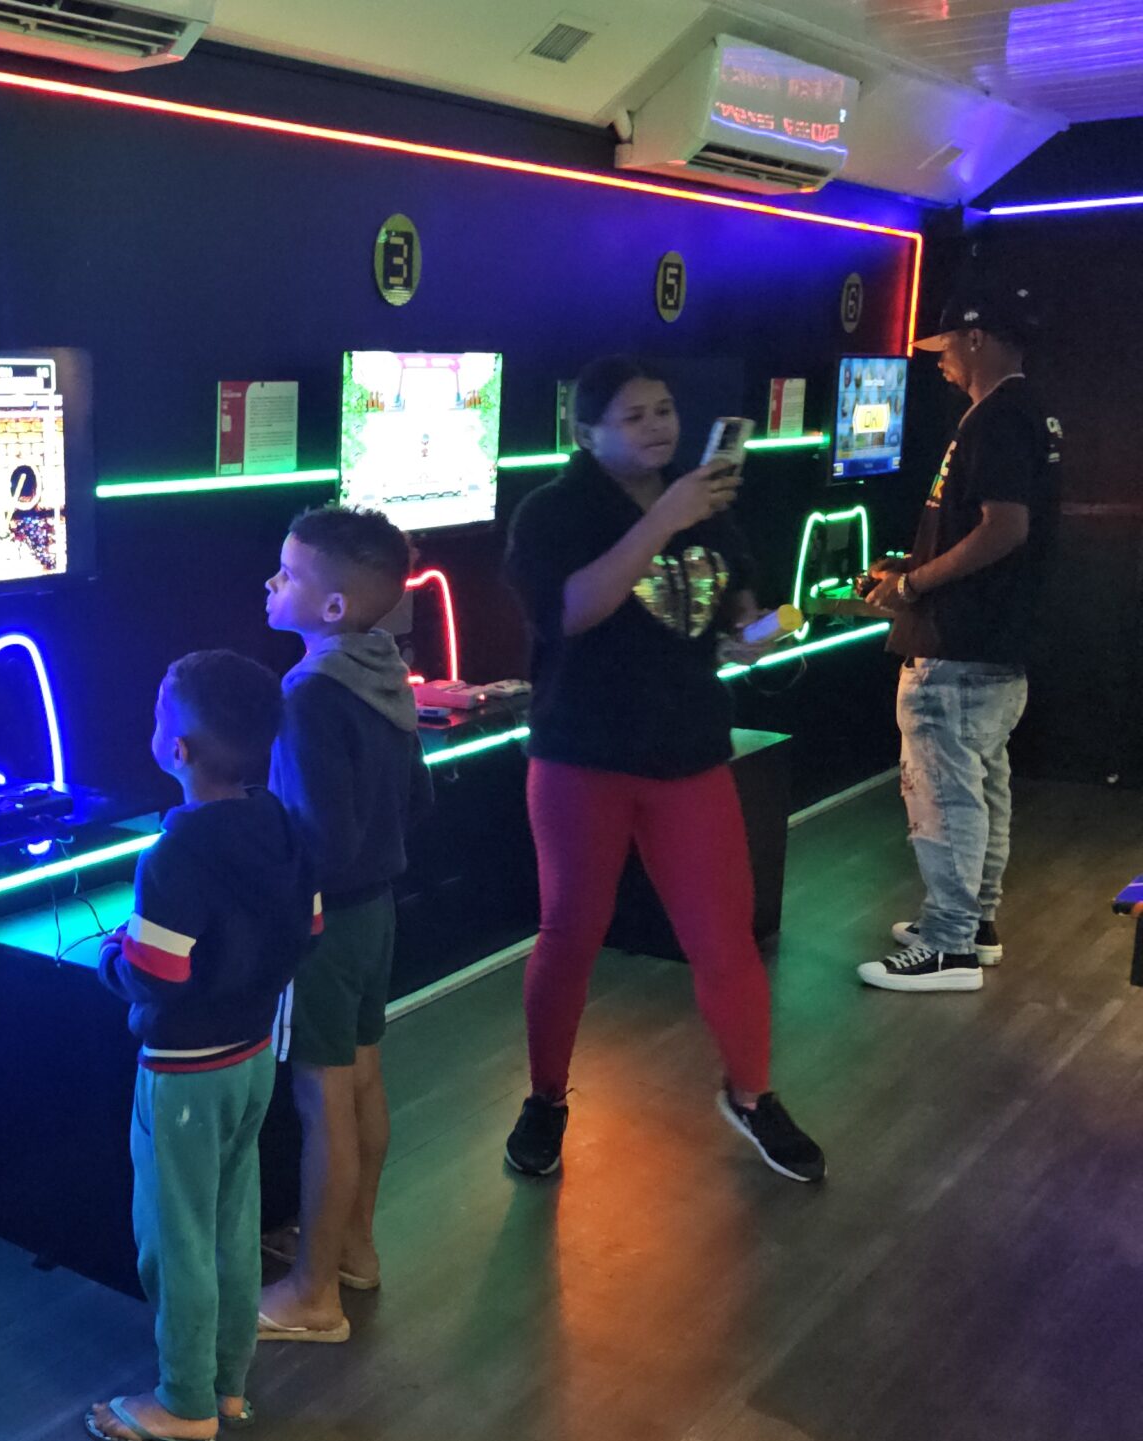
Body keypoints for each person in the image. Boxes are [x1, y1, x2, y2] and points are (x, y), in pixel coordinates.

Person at [500, 355, 827, 1184]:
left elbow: (740, 623)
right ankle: (545, 1097)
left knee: (725, 937)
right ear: (587, 433)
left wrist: (778, 624)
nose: (658, 426)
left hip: (690, 753)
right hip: (581, 755)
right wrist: (666, 518)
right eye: (635, 415)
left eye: (665, 409)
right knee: (570, 933)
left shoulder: (709, 507)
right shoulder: (553, 513)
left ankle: (752, 1094)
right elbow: (571, 612)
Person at [89, 651, 312, 1441]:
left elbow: (155, 974)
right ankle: (228, 1385)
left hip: (183, 1072)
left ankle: (184, 1404)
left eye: (159, 714)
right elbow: (311, 926)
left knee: (174, 1234)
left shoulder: (173, 854)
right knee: (231, 1220)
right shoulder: (284, 823)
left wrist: (112, 956)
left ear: (177, 749)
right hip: (253, 1054)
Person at [253, 506, 433, 1344]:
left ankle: (313, 1291)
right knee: (361, 1077)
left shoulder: (307, 693)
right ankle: (354, 1246)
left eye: (287, 573)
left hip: (322, 924)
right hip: (377, 912)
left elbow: (315, 839)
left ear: (331, 606)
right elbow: (417, 799)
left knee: (320, 1098)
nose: (270, 582)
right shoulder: (385, 670)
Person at [859, 285, 1061, 995]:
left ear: (975, 339)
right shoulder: (1025, 411)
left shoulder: (997, 416)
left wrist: (914, 586)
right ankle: (974, 924)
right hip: (995, 644)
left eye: (944, 346)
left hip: (960, 644)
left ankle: (948, 946)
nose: (940, 362)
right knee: (981, 784)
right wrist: (911, 567)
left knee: (944, 791)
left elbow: (1004, 528)